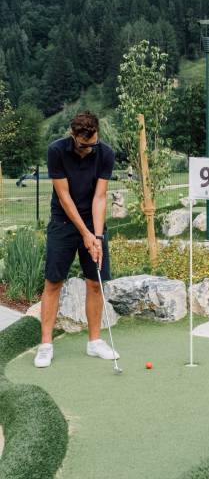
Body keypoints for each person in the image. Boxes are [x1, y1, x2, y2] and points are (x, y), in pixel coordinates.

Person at [34, 111, 118, 367]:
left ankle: (94, 342)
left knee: (96, 282)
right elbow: (64, 197)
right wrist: (85, 233)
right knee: (53, 282)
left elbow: (100, 197)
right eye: (82, 145)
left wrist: (98, 236)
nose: (87, 149)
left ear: (97, 136)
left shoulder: (105, 153)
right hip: (63, 222)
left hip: (93, 223)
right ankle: (46, 345)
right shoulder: (56, 151)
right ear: (73, 136)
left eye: (91, 144)